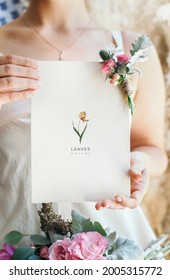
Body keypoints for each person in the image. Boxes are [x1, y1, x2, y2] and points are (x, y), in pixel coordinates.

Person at [0, 0, 168, 249]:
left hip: (113, 245)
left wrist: (139, 163)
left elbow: (151, 147)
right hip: (19, 244)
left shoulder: (134, 50)